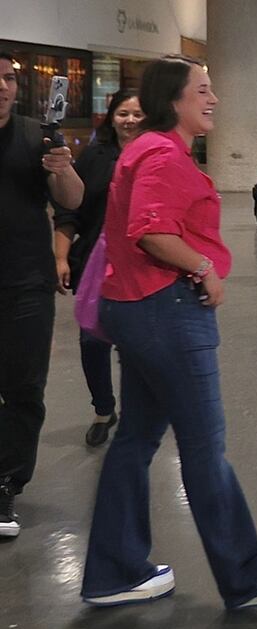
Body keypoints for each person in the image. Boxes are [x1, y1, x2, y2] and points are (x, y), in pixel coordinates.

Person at [80, 55, 257, 608]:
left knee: (136, 439)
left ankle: (115, 570)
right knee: (204, 445)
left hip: (136, 308)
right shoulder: (159, 152)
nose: (213, 99)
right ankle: (246, 572)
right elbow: (151, 231)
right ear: (173, 99)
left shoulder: (147, 151)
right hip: (165, 310)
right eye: (202, 90)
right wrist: (204, 269)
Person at [0, 51, 85, 538]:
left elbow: (72, 200)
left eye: (9, 78)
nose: (3, 87)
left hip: (26, 285)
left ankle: (5, 485)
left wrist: (64, 168)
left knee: (23, 388)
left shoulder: (37, 136)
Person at [53, 91, 142, 447]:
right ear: (112, 117)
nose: (130, 120)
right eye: (123, 113)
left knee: (137, 346)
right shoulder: (95, 155)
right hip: (96, 263)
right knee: (92, 341)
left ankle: (139, 412)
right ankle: (104, 409)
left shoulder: (156, 154)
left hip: (141, 266)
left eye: (138, 113)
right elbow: (70, 209)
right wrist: (60, 256)